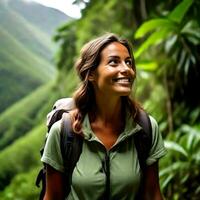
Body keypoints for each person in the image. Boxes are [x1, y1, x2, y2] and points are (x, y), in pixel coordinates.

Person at [41, 33, 167, 200]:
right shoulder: (64, 132)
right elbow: (52, 196)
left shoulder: (145, 128)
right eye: (114, 62)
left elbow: (153, 194)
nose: (126, 69)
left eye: (128, 62)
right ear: (91, 74)